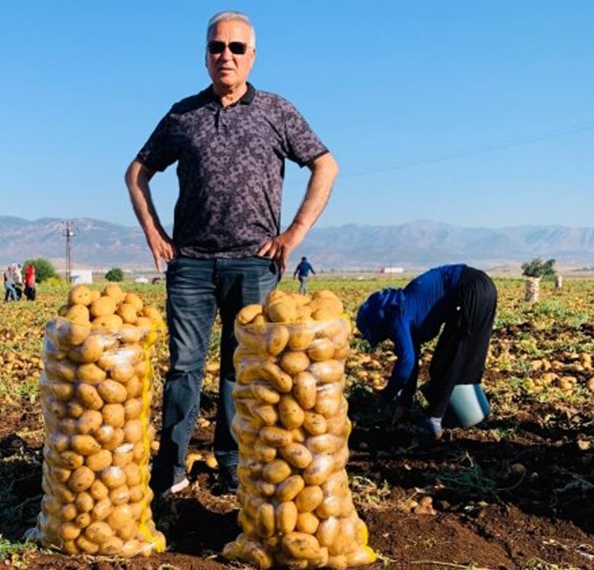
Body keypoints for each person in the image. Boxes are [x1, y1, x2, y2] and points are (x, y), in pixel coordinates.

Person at [125, 11, 339, 496]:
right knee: (184, 367)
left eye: (236, 48)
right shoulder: (183, 115)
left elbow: (325, 166)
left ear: (252, 57)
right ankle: (171, 468)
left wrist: (294, 232)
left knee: (241, 370)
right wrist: (154, 232)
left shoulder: (276, 111)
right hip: (193, 263)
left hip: (254, 261)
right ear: (205, 55)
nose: (226, 56)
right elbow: (136, 173)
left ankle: (232, 464)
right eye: (217, 47)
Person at [355, 264, 498, 440]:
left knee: (455, 357)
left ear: (378, 322)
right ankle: (450, 413)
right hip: (477, 289)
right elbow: (412, 361)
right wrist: (404, 404)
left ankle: (434, 420)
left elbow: (406, 361)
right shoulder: (403, 307)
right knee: (439, 363)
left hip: (473, 288)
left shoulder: (398, 314)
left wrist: (386, 396)